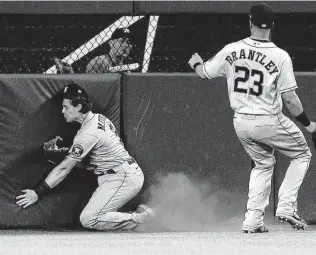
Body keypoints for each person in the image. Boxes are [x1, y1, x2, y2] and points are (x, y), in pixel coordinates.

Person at [188, 4, 315, 233]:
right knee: (302, 154)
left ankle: (253, 220)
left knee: (263, 164)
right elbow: (290, 99)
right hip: (268, 118)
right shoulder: (280, 55)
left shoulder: (231, 49)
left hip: (242, 121)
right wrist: (308, 124)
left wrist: (196, 62)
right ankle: (286, 206)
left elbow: (204, 73)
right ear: (272, 26)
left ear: (250, 22)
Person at [15, 83, 154, 231]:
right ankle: (141, 216)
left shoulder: (88, 132)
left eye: (66, 107)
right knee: (92, 216)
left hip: (122, 176)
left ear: (79, 107)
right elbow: (90, 157)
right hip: (121, 173)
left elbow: (64, 169)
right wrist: (63, 152)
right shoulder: (99, 118)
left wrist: (38, 192)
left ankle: (144, 219)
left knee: (89, 219)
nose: (63, 111)